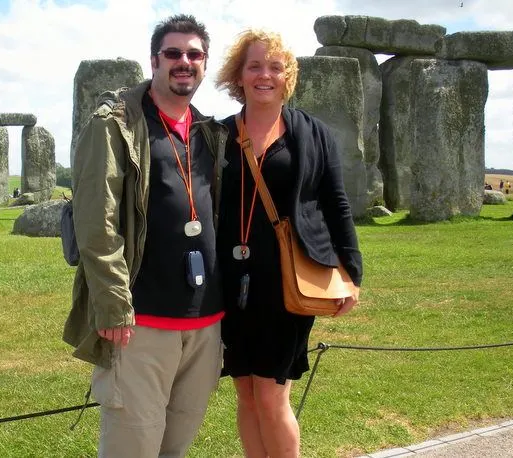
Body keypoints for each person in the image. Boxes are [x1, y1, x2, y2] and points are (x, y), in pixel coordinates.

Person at [63, 14, 227, 458]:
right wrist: (113, 304)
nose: (183, 62)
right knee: (131, 448)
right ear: (154, 59)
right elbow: (97, 225)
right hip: (140, 322)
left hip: (204, 322)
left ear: (205, 64)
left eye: (194, 54)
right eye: (173, 53)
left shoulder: (210, 132)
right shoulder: (114, 124)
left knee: (174, 449)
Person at [214, 29, 363, 457]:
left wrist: (351, 272)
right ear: (238, 76)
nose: (265, 75)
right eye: (254, 66)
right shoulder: (218, 135)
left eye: (275, 67)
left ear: (288, 76)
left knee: (272, 395)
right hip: (232, 280)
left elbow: (336, 204)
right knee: (244, 393)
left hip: (288, 279)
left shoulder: (313, 134)